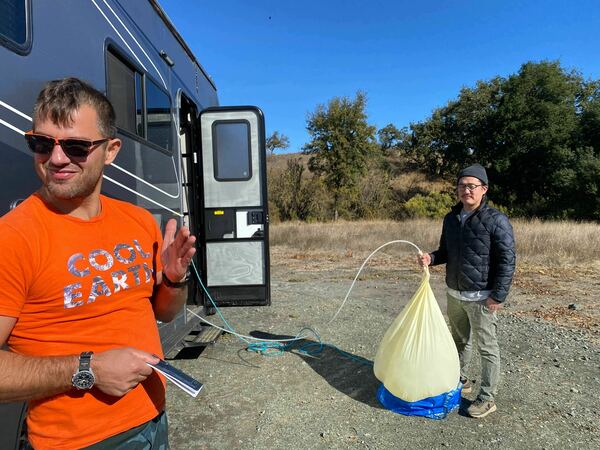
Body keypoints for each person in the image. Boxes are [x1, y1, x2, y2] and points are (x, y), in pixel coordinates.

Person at [0, 78, 196, 449]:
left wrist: (173, 279)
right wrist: (86, 370)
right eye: (41, 143)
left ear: (111, 151)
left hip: (153, 420)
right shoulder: (14, 237)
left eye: (75, 146)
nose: (56, 159)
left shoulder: (138, 221)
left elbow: (166, 314)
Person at [418, 163, 516, 419]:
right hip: (455, 294)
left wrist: (498, 295)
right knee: (459, 341)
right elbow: (445, 252)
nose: (466, 190)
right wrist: (430, 257)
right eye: (462, 185)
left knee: (487, 347)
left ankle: (487, 397)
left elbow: (507, 260)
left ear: (484, 189)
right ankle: (459, 379)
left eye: (472, 186)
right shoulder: (451, 219)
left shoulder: (496, 220)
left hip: (482, 297)